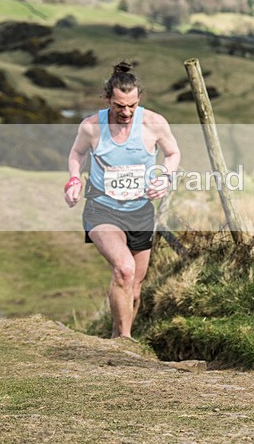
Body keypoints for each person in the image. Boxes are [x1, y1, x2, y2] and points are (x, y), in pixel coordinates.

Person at [64, 62, 180, 340]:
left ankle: (117, 335)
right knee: (124, 270)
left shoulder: (154, 123)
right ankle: (125, 341)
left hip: (140, 211)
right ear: (107, 99)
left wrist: (165, 177)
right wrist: (74, 180)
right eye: (119, 106)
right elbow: (76, 155)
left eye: (132, 105)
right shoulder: (92, 127)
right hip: (102, 208)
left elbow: (173, 154)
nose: (126, 112)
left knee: (135, 288)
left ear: (139, 99)